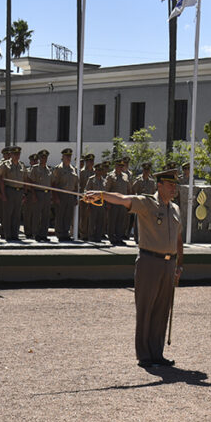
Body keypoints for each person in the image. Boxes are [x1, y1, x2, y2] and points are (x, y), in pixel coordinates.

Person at [84, 168, 183, 368]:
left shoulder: (175, 209)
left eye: (175, 185)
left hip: (169, 264)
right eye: (170, 185)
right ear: (160, 185)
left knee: (162, 310)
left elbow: (178, 239)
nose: (174, 188)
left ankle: (157, 353)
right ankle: (144, 355)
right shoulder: (147, 203)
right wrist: (101, 195)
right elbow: (122, 198)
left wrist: (179, 265)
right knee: (146, 309)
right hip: (150, 261)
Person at [50, 147, 79, 242]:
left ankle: (66, 233)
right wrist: (55, 197)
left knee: (68, 215)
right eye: (67, 156)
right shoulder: (58, 168)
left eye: (70, 156)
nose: (68, 158)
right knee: (60, 215)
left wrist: (75, 196)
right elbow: (54, 183)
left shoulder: (73, 169)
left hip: (70, 195)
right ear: (62, 157)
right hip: (61, 194)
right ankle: (60, 233)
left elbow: (76, 184)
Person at [0, 146, 26, 241]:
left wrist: (24, 193)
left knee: (17, 215)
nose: (17, 156)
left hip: (19, 191)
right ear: (11, 154)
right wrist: (3, 194)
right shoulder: (5, 165)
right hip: (9, 190)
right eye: (15, 154)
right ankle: (7, 234)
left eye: (18, 154)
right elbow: (1, 180)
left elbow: (24, 180)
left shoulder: (22, 165)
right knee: (8, 214)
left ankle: (15, 234)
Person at [105, 157, 131, 245]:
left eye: (122, 166)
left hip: (123, 202)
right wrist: (107, 202)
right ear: (115, 166)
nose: (121, 167)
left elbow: (128, 189)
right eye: (119, 166)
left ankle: (119, 237)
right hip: (113, 202)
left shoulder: (125, 176)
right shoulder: (110, 176)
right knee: (112, 220)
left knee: (121, 221)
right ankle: (112, 238)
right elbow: (106, 190)